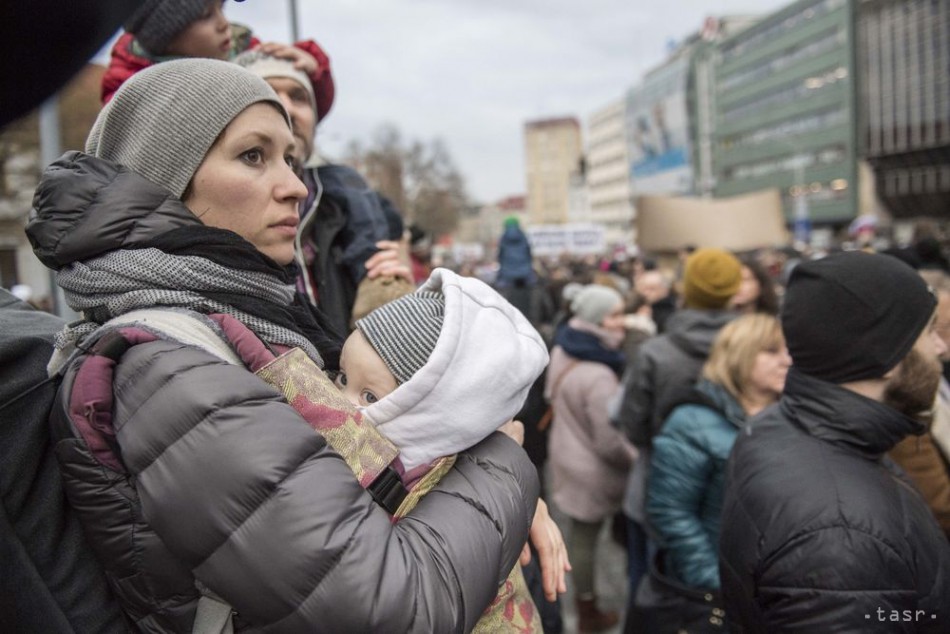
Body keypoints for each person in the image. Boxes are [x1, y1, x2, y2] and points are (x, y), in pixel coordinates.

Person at [24, 58, 561, 631]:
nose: (295, 187)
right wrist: (502, 467)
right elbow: (391, 609)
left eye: (290, 158)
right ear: (165, 175)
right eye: (252, 156)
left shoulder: (250, 316)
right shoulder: (165, 365)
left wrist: (482, 487)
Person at [719, 252, 950, 632]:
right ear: (888, 355)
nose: (940, 348)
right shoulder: (841, 537)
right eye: (928, 333)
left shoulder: (781, 423)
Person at [335, 267, 556, 632]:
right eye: (342, 378)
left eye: (370, 396)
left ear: (426, 412)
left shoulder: (418, 483)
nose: (341, 403)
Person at [235, 48, 411, 336]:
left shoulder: (349, 207)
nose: (287, 108)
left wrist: (393, 299)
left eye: (299, 96)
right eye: (269, 92)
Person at [612, 247, 741, 627]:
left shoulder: (657, 352)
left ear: (686, 289)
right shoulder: (754, 348)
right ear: (734, 290)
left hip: (656, 485)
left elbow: (631, 424)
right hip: (736, 489)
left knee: (652, 582)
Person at [645, 314, 789, 595]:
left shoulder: (793, 418)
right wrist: (714, 580)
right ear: (740, 356)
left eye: (788, 351)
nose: (787, 360)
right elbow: (671, 512)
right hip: (720, 587)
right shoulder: (692, 422)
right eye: (772, 351)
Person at [547, 284, 636, 632]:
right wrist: (637, 460)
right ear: (597, 319)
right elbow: (610, 442)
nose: (621, 322)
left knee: (580, 535)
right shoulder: (599, 373)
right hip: (593, 469)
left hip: (566, 454)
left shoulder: (564, 348)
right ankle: (589, 611)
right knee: (586, 539)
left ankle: (585, 605)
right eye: (614, 315)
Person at [101, 0, 335, 122]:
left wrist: (313, 73)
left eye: (221, 8)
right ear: (166, 35)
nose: (224, 23)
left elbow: (304, 118)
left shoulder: (249, 54)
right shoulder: (128, 89)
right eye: (206, 15)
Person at [496, 216, 537, 319]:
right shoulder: (523, 236)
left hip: (507, 276)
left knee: (510, 304)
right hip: (525, 275)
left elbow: (500, 256)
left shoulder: (503, 238)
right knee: (526, 304)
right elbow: (529, 253)